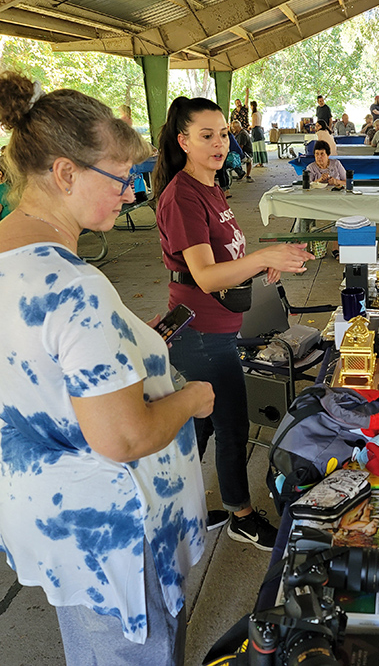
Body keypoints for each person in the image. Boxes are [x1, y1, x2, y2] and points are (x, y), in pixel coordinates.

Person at [0, 71, 215, 665]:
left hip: (47, 517)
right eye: (122, 180)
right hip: (110, 536)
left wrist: (131, 343)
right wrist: (192, 398)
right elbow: (125, 436)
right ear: (65, 173)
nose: (131, 196)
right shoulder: (73, 286)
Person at [154, 97, 314, 550]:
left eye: (223, 133)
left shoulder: (211, 185)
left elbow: (223, 257)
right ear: (183, 141)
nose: (219, 143)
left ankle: (179, 510)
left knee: (199, 427)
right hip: (201, 334)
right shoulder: (182, 196)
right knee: (229, 426)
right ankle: (240, 515)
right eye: (206, 136)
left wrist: (255, 265)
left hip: (219, 325)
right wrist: (261, 255)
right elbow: (203, 275)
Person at [250, 100, 268, 167]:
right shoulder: (259, 113)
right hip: (260, 130)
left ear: (252, 106)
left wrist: (249, 126)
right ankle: (261, 161)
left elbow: (254, 125)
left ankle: (259, 161)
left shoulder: (254, 114)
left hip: (256, 131)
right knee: (261, 146)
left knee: (257, 147)